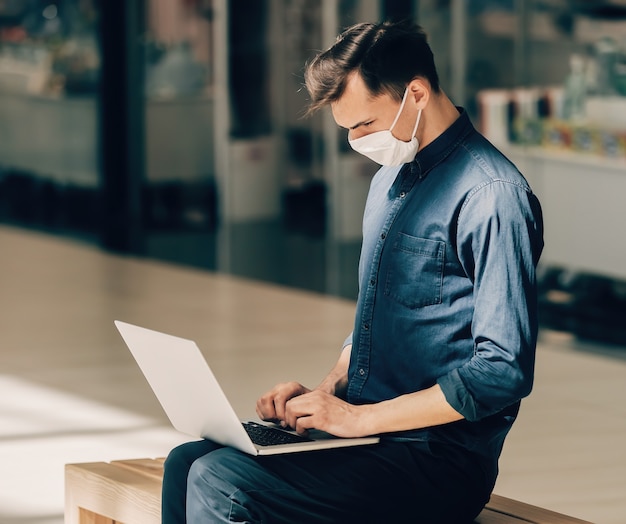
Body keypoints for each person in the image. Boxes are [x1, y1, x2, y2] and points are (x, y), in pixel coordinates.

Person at [161, 20, 544, 523]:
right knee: (186, 461)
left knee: (224, 482)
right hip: (366, 439)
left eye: (364, 125)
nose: (356, 141)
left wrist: (356, 419)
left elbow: (502, 371)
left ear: (416, 93)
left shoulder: (493, 197)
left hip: (435, 462)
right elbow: (380, 320)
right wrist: (325, 395)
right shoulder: (388, 182)